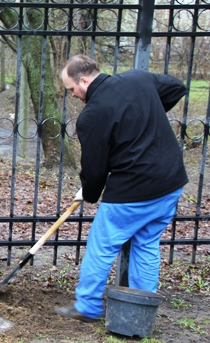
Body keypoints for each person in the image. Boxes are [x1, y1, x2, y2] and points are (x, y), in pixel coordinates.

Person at [55, 55, 188, 323]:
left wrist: (88, 192)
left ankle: (87, 305)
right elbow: (176, 87)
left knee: (101, 245)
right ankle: (139, 310)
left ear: (84, 80)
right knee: (146, 244)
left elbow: (95, 169)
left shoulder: (92, 116)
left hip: (133, 190)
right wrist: (145, 116)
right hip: (170, 181)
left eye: (72, 89)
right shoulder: (138, 79)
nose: (73, 95)